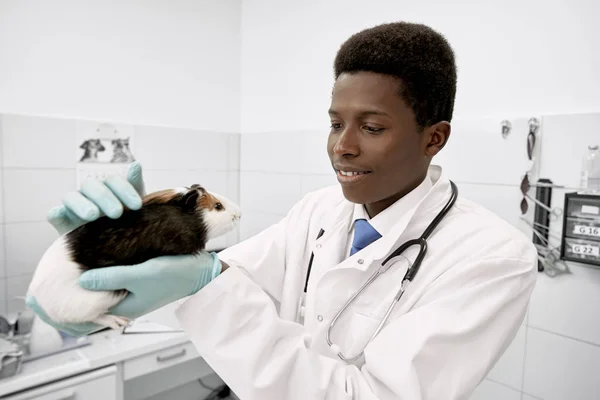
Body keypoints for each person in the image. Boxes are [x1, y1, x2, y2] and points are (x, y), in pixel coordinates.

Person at [26, 21, 537, 399]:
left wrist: (204, 284)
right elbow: (212, 280)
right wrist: (91, 261)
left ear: (435, 138)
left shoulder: (491, 258)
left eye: (372, 127)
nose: (343, 147)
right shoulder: (318, 211)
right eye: (336, 123)